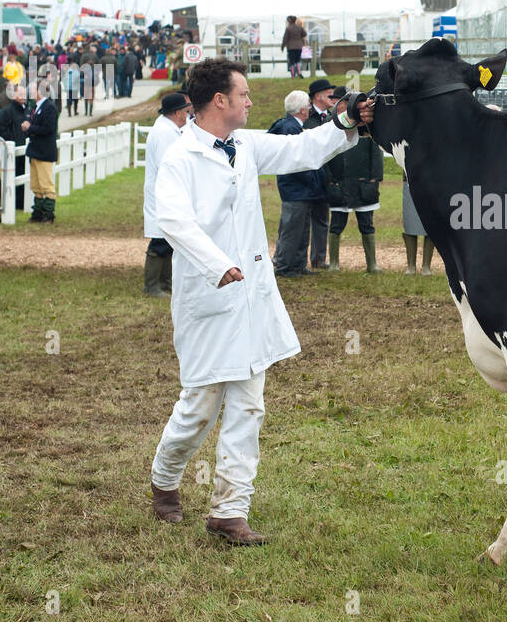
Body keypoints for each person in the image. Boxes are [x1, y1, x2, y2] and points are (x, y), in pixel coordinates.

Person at [149, 57, 371, 544]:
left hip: (251, 296)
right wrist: (216, 264)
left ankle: (229, 511)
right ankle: (164, 481)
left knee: (249, 405)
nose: (251, 101)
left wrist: (347, 120)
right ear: (220, 100)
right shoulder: (180, 158)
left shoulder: (246, 145)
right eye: (244, 94)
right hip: (209, 297)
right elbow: (173, 220)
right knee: (200, 406)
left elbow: (304, 150)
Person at [267, 90, 323, 278]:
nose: (309, 108)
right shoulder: (290, 128)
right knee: (291, 230)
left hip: (301, 189)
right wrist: (312, 180)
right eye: (307, 105)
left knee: (302, 228)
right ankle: (284, 266)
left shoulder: (292, 126)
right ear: (301, 109)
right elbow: (296, 160)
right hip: (296, 187)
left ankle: (299, 264)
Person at [142, 91, 192, 295]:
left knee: (168, 239)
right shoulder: (164, 133)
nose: (188, 116)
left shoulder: (168, 128)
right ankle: (152, 285)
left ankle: (165, 282)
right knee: (160, 240)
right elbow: (169, 163)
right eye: (187, 112)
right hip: (162, 192)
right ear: (179, 113)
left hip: (167, 191)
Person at [324, 122, 384, 273]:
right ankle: (334, 264)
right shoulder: (333, 126)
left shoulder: (367, 128)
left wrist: (375, 179)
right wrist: (329, 180)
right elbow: (326, 156)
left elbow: (376, 154)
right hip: (340, 184)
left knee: (367, 225)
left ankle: (372, 264)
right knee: (336, 225)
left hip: (363, 185)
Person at [303, 79, 338, 269]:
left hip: (324, 177)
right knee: (299, 222)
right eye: (329, 94)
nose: (333, 98)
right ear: (317, 96)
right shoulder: (307, 119)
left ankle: (318, 258)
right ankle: (296, 257)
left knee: (322, 220)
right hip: (306, 177)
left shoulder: (331, 117)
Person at [25, 85, 59, 223]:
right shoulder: (35, 107)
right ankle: (37, 212)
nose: (30, 92)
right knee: (36, 184)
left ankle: (48, 213)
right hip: (35, 150)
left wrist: (30, 127)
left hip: (45, 151)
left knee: (46, 184)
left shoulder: (49, 107)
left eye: (32, 90)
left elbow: (49, 129)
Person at [0, 84, 31, 211]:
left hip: (26, 150)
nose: (23, 97)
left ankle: (23, 203)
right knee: (13, 177)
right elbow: (1, 131)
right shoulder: (6, 112)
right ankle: (15, 203)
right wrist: (14, 141)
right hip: (13, 151)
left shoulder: (28, 109)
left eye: (24, 94)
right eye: (19, 94)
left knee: (26, 176)